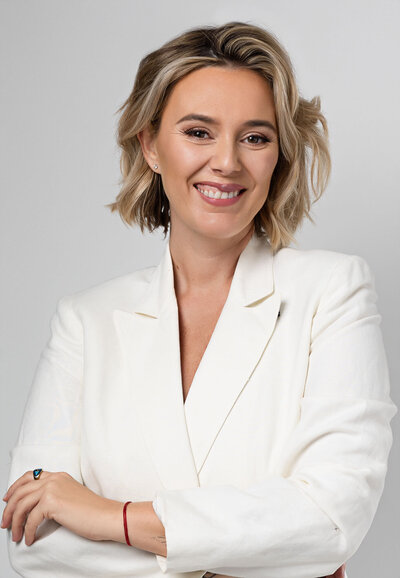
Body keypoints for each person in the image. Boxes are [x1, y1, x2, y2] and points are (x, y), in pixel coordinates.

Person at [1, 21, 396, 578]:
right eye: (198, 132)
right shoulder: (85, 322)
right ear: (150, 145)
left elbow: (332, 517)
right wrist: (257, 556)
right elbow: (33, 540)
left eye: (255, 137)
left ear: (278, 155)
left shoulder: (331, 293)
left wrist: (112, 518)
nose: (228, 162)